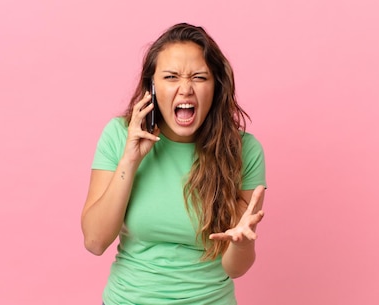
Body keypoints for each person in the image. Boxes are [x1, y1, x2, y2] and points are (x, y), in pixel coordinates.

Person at [81, 23, 267, 305]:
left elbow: (236, 268)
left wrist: (244, 242)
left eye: (199, 77)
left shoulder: (243, 150)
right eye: (171, 77)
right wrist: (130, 159)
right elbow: (95, 242)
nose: (185, 89)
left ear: (216, 86)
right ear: (152, 86)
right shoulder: (119, 135)